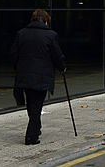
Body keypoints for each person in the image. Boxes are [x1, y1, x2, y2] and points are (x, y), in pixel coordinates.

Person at [12, 9, 66, 146]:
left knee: (31, 104)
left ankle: (36, 128)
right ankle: (31, 136)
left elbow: (14, 54)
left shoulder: (21, 34)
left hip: (25, 76)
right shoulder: (50, 35)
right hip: (42, 76)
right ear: (46, 20)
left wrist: (18, 69)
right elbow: (57, 55)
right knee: (36, 105)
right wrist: (62, 67)